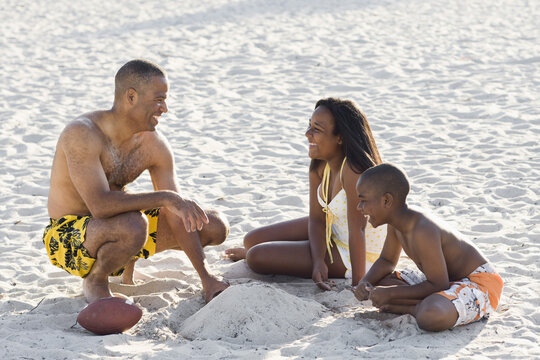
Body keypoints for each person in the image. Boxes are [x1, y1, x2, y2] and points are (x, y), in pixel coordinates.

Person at [43, 59, 229, 304]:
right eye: (159, 99)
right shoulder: (82, 133)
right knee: (134, 224)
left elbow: (177, 214)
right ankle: (96, 279)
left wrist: (207, 277)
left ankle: (126, 258)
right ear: (131, 97)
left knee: (212, 223)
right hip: (68, 237)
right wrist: (166, 198)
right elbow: (99, 205)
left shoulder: (155, 144)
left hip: (121, 224)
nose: (164, 109)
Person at [225, 98, 386, 289]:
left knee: (256, 256)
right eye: (309, 125)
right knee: (251, 240)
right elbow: (317, 219)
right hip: (333, 230)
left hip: (356, 251)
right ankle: (293, 252)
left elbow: (357, 230)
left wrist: (359, 283)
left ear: (340, 137)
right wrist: (318, 260)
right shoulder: (320, 164)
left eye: (316, 129)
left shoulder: (354, 172)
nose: (307, 134)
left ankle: (284, 253)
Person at [353, 163, 503, 331]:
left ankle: (413, 308)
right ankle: (429, 302)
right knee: (380, 282)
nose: (359, 208)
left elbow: (439, 284)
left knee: (430, 315)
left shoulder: (422, 229)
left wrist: (391, 294)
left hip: (479, 283)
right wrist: (365, 282)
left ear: (387, 200)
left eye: (363, 201)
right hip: (445, 280)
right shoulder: (396, 223)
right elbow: (387, 260)